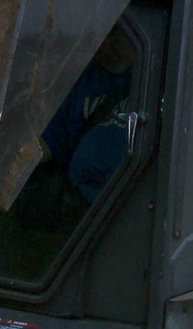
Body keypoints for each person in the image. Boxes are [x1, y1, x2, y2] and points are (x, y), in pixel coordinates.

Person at [41, 25, 134, 203]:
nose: (107, 43)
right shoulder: (79, 80)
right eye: (102, 35)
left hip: (131, 200)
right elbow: (50, 142)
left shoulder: (162, 77)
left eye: (115, 34)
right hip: (84, 207)